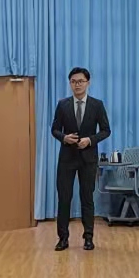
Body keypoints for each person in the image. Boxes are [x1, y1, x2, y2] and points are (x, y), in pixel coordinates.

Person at [51, 67, 111, 251]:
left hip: (88, 159)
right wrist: (64, 137)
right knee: (64, 199)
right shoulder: (63, 104)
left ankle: (88, 238)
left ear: (88, 83)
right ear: (70, 84)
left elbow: (106, 130)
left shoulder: (97, 105)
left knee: (87, 199)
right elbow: (54, 129)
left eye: (80, 81)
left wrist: (90, 140)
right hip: (67, 159)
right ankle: (63, 238)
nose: (77, 85)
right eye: (73, 81)